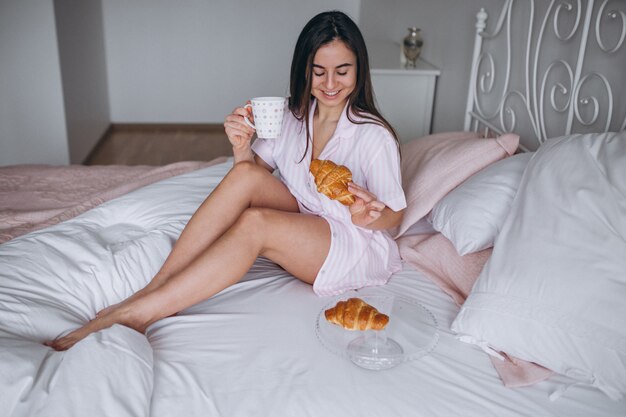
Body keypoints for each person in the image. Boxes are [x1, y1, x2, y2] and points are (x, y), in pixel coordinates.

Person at [45, 10, 406, 351]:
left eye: (342, 71)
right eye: (319, 71)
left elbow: (395, 217)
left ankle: (140, 313)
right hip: (307, 215)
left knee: (255, 224)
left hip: (351, 241)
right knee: (244, 175)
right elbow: (251, 179)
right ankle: (153, 288)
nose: (329, 83)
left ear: (359, 71)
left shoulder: (374, 136)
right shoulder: (292, 115)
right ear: (304, 71)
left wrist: (369, 215)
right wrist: (240, 146)